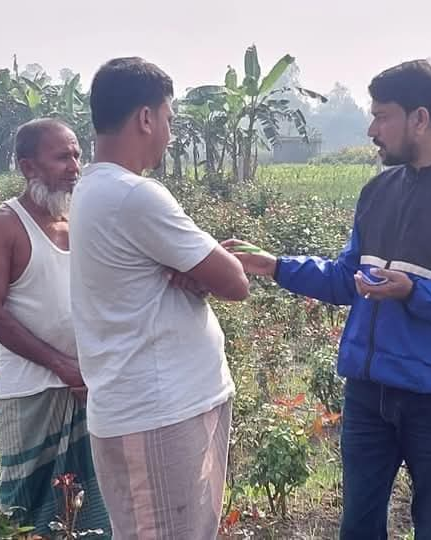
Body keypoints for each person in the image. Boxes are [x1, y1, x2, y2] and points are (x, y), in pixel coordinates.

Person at [224, 60, 431, 539]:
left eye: (382, 116)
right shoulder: (379, 190)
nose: (371, 129)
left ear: (420, 119)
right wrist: (276, 265)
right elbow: (347, 279)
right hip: (369, 392)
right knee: (359, 525)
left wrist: (415, 292)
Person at [68, 57, 249, 540]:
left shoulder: (96, 190)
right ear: (145, 118)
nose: (169, 133)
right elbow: (236, 281)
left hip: (169, 406)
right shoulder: (133, 195)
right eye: (168, 119)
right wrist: (207, 267)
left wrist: (194, 266)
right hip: (158, 415)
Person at [0, 118, 110, 537]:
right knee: (26, 511)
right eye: (61, 157)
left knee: (91, 511)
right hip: (31, 392)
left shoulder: (81, 223)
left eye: (76, 155)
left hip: (88, 386)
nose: (74, 166)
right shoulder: (3, 224)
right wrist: (61, 366)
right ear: (27, 166)